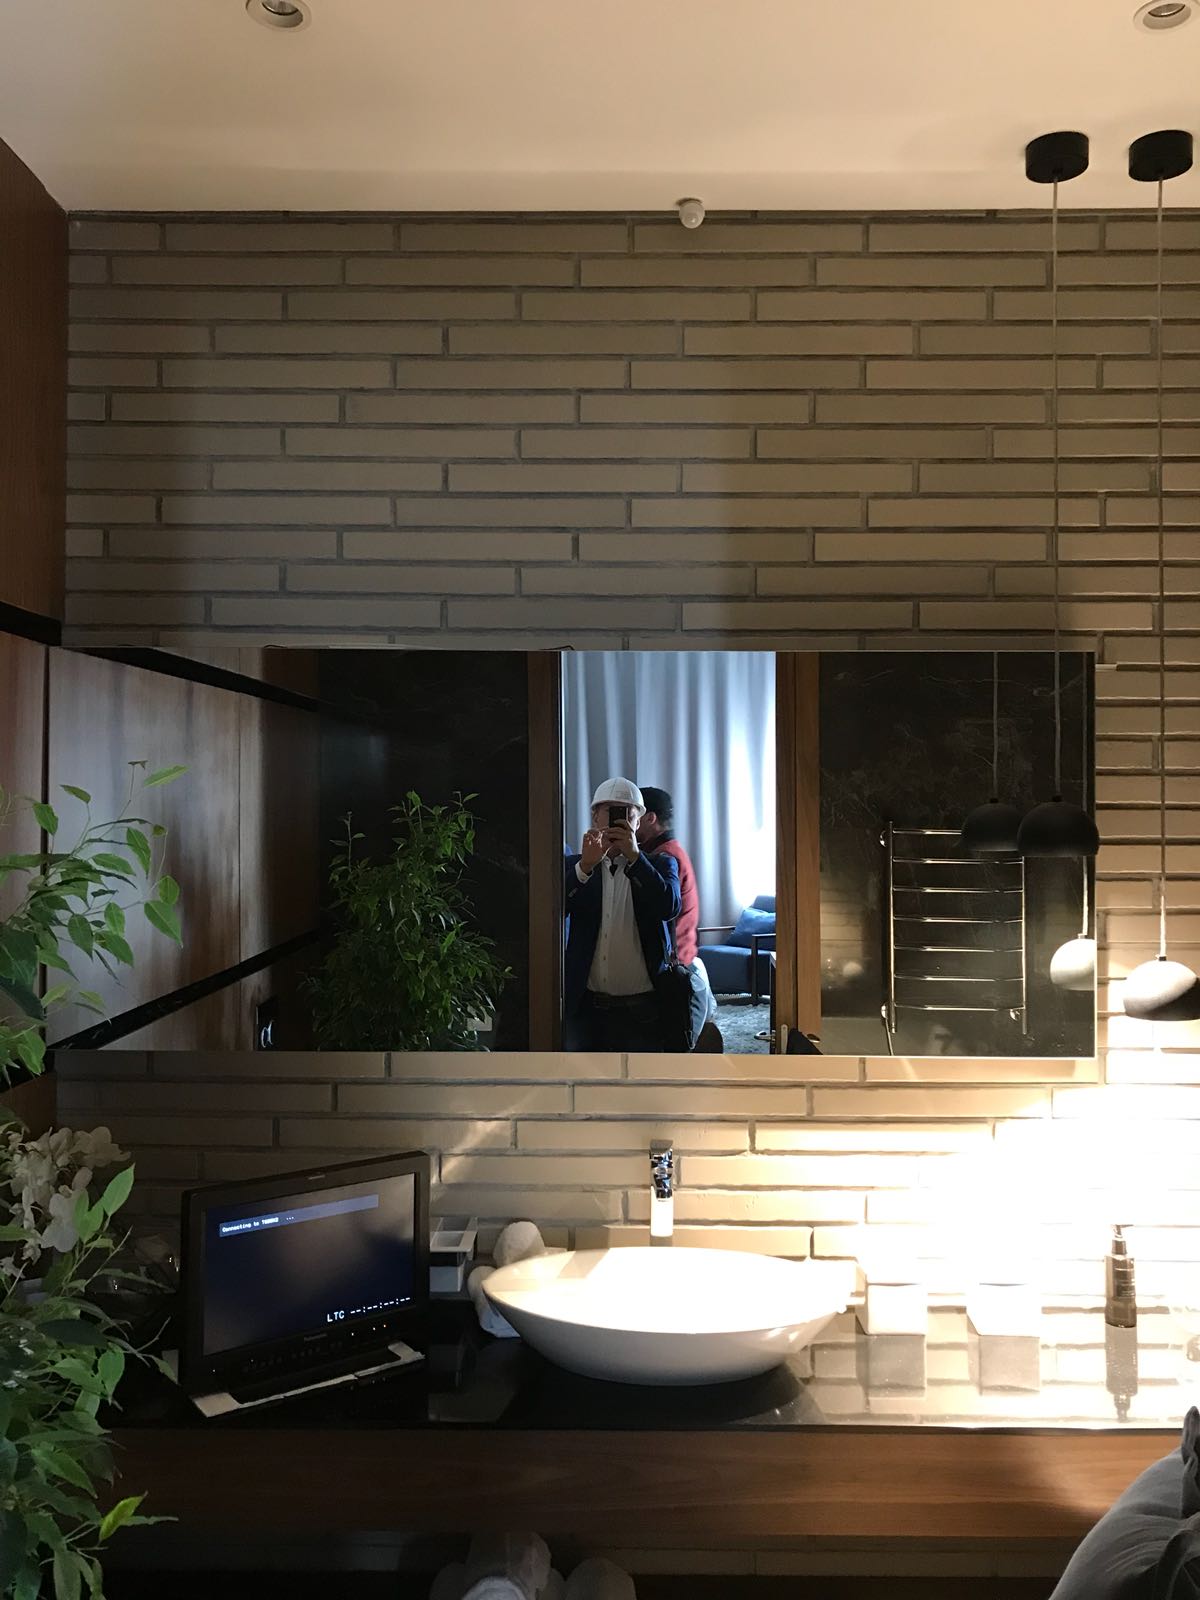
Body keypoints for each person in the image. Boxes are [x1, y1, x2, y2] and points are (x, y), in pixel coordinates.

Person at [563, 777, 681, 1052]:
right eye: (610, 811)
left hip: (644, 1008)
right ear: (595, 817)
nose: (619, 819)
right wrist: (584, 868)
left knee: (642, 1079)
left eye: (628, 813)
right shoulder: (575, 866)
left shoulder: (661, 864)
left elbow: (669, 907)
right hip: (586, 1009)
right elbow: (553, 909)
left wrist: (636, 859)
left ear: (638, 822)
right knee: (581, 1078)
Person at [636, 784, 722, 1047]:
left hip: (674, 967)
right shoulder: (670, 850)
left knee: (674, 1049)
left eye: (634, 815)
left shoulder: (663, 857)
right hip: (684, 961)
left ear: (650, 818)